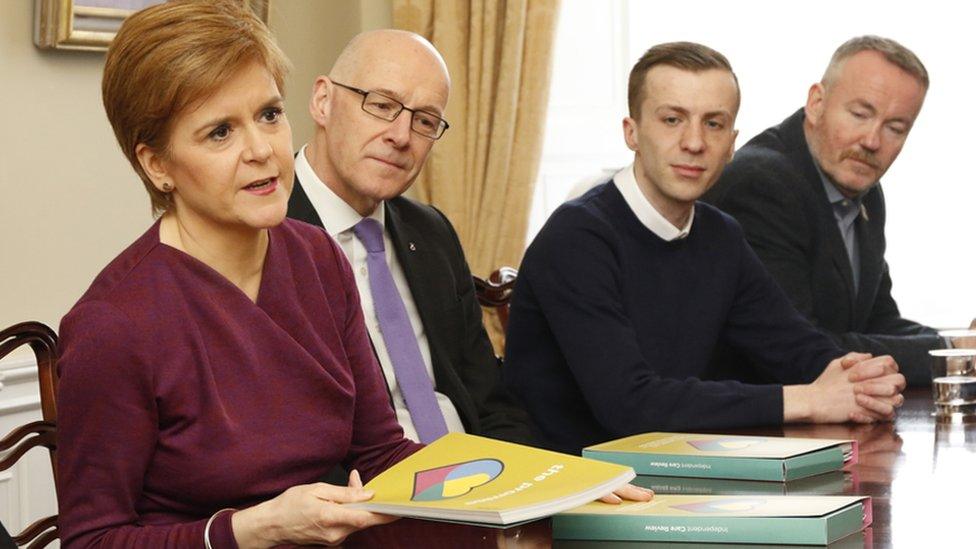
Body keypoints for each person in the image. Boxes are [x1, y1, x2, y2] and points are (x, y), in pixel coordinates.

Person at [55, 2, 420, 546]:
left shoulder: (317, 256)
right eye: (220, 132)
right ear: (157, 165)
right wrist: (252, 530)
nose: (262, 151)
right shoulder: (112, 326)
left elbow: (382, 453)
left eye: (269, 114)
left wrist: (536, 491)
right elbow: (92, 540)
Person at [504, 42, 906, 455]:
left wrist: (860, 378)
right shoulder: (578, 237)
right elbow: (629, 405)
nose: (694, 142)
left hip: (675, 472)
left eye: (713, 124)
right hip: (570, 490)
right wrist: (806, 400)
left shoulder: (719, 234)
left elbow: (792, 343)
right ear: (632, 132)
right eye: (672, 119)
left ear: (732, 143)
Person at [287, 30, 535, 445]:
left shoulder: (431, 231)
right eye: (382, 105)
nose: (401, 136)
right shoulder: (263, 236)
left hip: (477, 482)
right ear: (323, 102)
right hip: (362, 493)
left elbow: (492, 402)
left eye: (424, 121)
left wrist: (529, 484)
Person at [704, 36, 960, 386]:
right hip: (749, 428)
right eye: (860, 114)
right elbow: (804, 353)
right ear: (816, 102)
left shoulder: (864, 190)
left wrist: (961, 349)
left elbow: (877, 321)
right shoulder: (762, 185)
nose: (872, 141)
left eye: (895, 128)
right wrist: (951, 350)